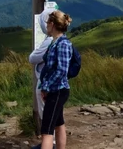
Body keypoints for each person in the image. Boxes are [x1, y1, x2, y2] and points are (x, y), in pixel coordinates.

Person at [38, 10, 73, 149]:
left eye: (47, 23)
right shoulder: (55, 42)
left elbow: (62, 71)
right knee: (58, 124)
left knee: (46, 131)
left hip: (58, 90)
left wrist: (46, 87)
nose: (46, 26)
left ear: (52, 24)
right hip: (56, 90)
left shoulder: (63, 44)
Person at [28, 8, 56, 149]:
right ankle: (55, 144)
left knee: (46, 117)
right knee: (57, 118)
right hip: (59, 85)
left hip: (45, 84)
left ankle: (50, 145)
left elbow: (33, 58)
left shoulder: (49, 41)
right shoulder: (62, 40)